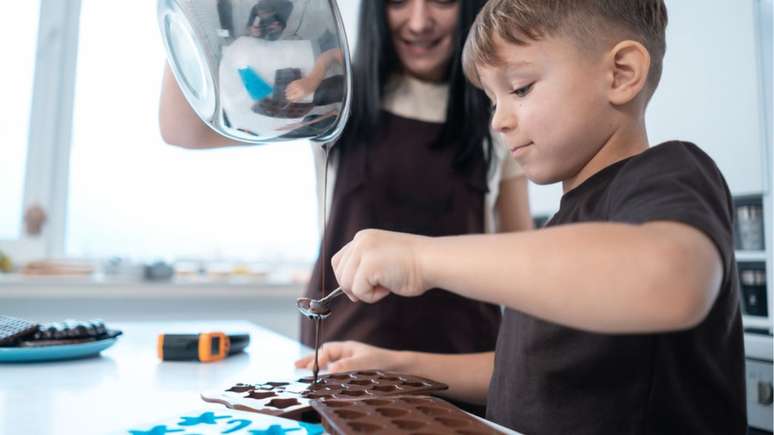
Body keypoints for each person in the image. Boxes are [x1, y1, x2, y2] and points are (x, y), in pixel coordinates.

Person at [296, 0, 748, 433]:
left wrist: (420, 259)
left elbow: (669, 280)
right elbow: (525, 369)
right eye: (493, 101)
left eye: (520, 89)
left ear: (621, 73)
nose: (498, 121)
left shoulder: (668, 173)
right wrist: (396, 365)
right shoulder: (559, 231)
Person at [159, 0, 533, 356]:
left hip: (464, 363)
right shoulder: (335, 95)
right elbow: (184, 131)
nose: (419, 22)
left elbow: (524, 266)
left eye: (442, 1)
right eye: (398, 2)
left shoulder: (501, 111)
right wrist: (191, 17)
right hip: (341, 359)